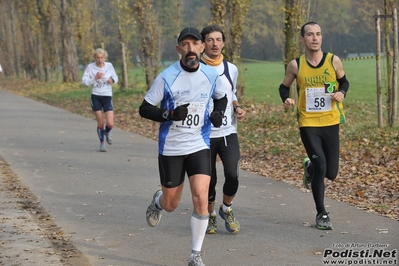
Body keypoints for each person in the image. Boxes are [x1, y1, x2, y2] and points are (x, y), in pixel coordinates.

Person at [139, 27, 227, 266]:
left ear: (202, 47)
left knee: (200, 197)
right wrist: (169, 114)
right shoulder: (167, 77)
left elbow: (221, 96)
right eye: (185, 45)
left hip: (199, 144)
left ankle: (195, 255)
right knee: (171, 205)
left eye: (194, 44)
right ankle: (158, 201)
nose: (190, 49)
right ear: (179, 49)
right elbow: (144, 108)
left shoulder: (210, 75)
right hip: (172, 148)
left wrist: (218, 113)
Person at [278, 22, 349, 230]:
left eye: (318, 34)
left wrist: (341, 93)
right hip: (308, 123)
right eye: (310, 35)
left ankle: (309, 166)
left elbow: (344, 82)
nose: (315, 38)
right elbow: (284, 87)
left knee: (332, 173)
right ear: (303, 39)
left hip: (331, 121)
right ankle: (322, 213)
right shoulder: (296, 65)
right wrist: (286, 99)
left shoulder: (333, 60)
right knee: (322, 167)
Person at [200, 25, 246, 234]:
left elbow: (231, 93)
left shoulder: (231, 69)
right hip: (203, 135)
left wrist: (237, 107)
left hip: (228, 131)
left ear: (223, 43)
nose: (215, 44)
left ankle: (226, 208)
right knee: (209, 179)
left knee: (232, 174)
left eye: (218, 39)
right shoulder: (195, 68)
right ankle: (209, 215)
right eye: (210, 40)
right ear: (203, 44)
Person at [82, 48, 118, 152]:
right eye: (98, 57)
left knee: (110, 123)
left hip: (107, 96)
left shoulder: (109, 66)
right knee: (101, 123)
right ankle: (102, 143)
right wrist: (95, 78)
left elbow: (116, 77)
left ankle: (107, 132)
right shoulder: (90, 67)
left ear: (104, 58)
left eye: (102, 57)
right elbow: (84, 82)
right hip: (96, 97)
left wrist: (112, 80)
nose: (100, 59)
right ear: (94, 58)